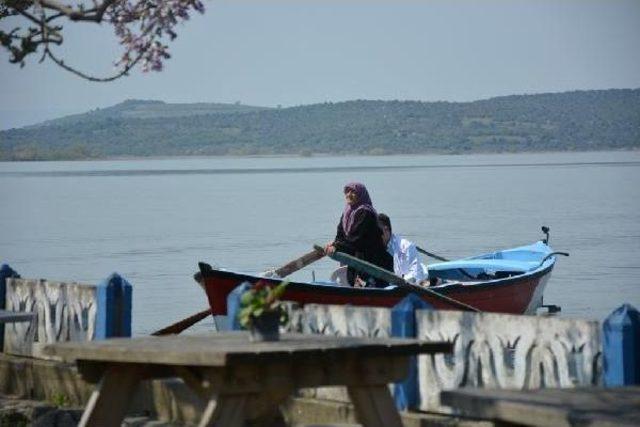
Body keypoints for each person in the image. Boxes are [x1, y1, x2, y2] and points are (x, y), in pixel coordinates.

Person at [324, 182, 393, 288]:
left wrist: (336, 246)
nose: (349, 194)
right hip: (358, 261)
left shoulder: (366, 212)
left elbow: (356, 238)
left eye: (353, 192)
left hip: (374, 262)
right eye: (347, 191)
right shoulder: (347, 213)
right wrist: (334, 244)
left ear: (361, 194)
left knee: (372, 287)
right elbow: (340, 235)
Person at [378, 213, 429, 284]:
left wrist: (399, 282)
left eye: (377, 232)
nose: (374, 236)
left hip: (405, 287)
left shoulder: (406, 247)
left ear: (386, 230)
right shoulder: (373, 248)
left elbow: (416, 275)